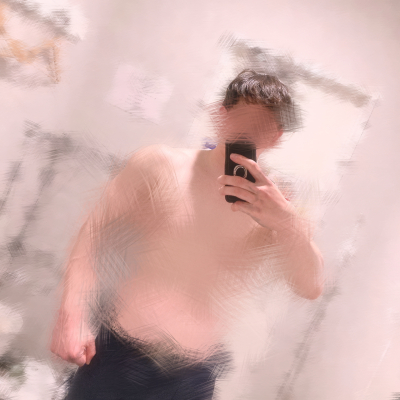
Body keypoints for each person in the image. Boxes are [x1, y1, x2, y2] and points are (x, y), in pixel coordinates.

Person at [51, 69, 324, 399]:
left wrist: (288, 223)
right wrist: (71, 314)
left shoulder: (275, 206)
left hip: (190, 379)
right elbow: (92, 233)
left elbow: (310, 286)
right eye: (242, 119)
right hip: (117, 358)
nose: (249, 132)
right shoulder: (160, 164)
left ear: (277, 136)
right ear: (221, 115)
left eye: (262, 125)